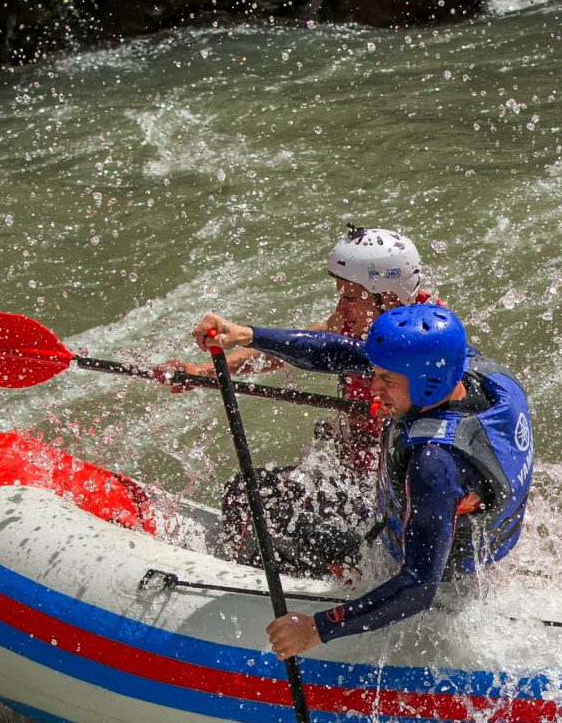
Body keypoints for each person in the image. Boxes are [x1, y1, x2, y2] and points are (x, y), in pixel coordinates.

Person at [192, 303, 533, 655]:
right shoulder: (479, 373)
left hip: (429, 571)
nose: (373, 386)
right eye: (376, 373)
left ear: (427, 385)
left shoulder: (434, 463)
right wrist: (251, 335)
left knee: (254, 503)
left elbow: (419, 586)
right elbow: (339, 352)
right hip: (452, 537)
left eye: (387, 380)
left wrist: (316, 629)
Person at [158, 226, 431, 577]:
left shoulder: (426, 343)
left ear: (390, 298)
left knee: (272, 508)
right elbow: (303, 345)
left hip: (392, 495)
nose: (341, 310)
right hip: (355, 474)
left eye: (349, 298)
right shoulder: (367, 317)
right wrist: (206, 371)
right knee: (248, 491)